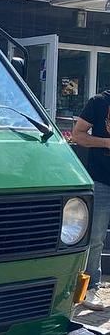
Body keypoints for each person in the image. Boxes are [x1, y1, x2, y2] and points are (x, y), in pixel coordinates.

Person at [72, 90, 110, 310]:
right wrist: (106, 143)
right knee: (95, 237)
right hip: (102, 180)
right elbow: (77, 135)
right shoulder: (99, 102)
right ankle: (90, 288)